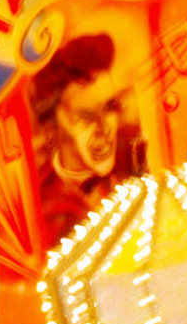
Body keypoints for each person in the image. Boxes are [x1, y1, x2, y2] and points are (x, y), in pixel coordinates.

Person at [28, 33, 144, 242]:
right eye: (85, 117)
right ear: (51, 132)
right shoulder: (43, 210)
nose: (104, 129)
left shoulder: (137, 156)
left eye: (109, 107)